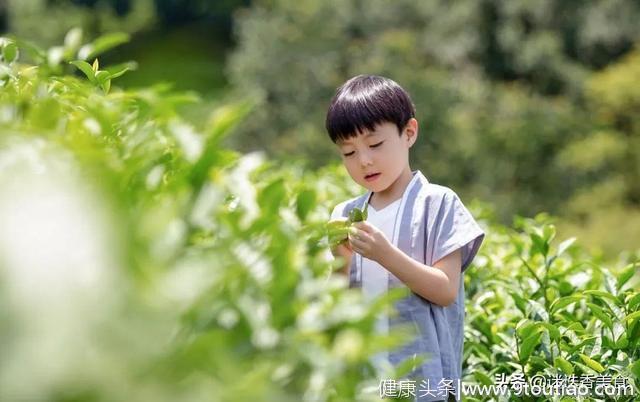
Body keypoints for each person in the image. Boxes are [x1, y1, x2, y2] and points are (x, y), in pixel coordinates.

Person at [325, 75, 485, 402]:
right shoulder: (344, 213)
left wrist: (386, 254)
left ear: (409, 132)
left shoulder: (437, 203)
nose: (364, 160)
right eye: (348, 152)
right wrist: (341, 260)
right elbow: (335, 306)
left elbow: (444, 290)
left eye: (375, 144)